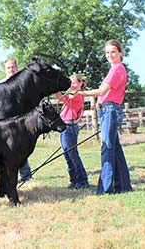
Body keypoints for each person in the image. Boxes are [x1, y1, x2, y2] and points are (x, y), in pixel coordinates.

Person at [75, 39, 132, 194]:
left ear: (120, 52)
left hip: (110, 110)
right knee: (116, 150)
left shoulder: (117, 70)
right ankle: (123, 186)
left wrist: (80, 93)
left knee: (107, 148)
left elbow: (101, 92)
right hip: (108, 110)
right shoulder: (115, 69)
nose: (110, 55)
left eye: (113, 52)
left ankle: (106, 189)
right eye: (107, 52)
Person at [0, 58, 32, 181]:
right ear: (4, 69)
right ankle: (5, 177)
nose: (11, 69)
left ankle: (26, 175)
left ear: (16, 68)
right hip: (4, 123)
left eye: (13, 67)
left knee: (21, 148)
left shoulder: (23, 84)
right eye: (8, 67)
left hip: (20, 123)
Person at [55, 74, 89, 189]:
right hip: (64, 125)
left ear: (80, 83)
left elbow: (67, 97)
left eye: (74, 83)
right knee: (67, 154)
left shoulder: (78, 94)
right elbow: (60, 97)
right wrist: (54, 87)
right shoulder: (70, 94)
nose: (72, 85)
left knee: (72, 154)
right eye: (71, 83)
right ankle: (74, 180)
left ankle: (82, 180)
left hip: (70, 126)